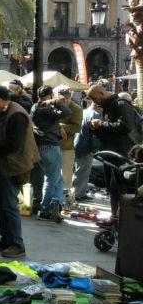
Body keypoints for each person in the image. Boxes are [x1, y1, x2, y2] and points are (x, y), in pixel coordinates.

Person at [0, 86, 38, 259]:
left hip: (12, 167)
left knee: (10, 205)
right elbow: (0, 136)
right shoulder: (4, 113)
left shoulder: (16, 114)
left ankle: (17, 244)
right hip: (0, 165)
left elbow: (13, 145)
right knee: (2, 203)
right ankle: (6, 239)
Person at [86, 83, 139, 219]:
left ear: (102, 94)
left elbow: (124, 126)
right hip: (110, 153)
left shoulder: (121, 105)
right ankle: (115, 215)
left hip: (120, 153)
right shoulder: (107, 107)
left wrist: (100, 124)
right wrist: (94, 128)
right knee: (112, 187)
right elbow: (108, 130)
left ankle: (120, 216)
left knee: (118, 187)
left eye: (95, 98)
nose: (94, 102)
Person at [29, 85, 70, 222]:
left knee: (58, 178)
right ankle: (46, 209)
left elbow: (49, 122)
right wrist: (55, 102)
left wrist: (59, 127)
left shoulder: (35, 107)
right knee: (52, 179)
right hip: (50, 146)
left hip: (39, 146)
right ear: (51, 95)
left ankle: (56, 201)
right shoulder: (46, 109)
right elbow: (66, 112)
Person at [55, 85, 82, 204]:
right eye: (62, 99)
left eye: (67, 98)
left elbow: (77, 127)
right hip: (52, 144)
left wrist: (59, 127)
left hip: (66, 146)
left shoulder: (76, 109)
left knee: (66, 174)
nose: (65, 101)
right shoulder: (53, 105)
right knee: (52, 173)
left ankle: (64, 199)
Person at [72, 97, 100, 201]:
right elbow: (94, 135)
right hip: (86, 146)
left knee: (79, 170)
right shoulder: (95, 115)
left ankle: (78, 192)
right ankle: (78, 193)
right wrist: (94, 149)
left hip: (78, 143)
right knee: (83, 171)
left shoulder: (85, 112)